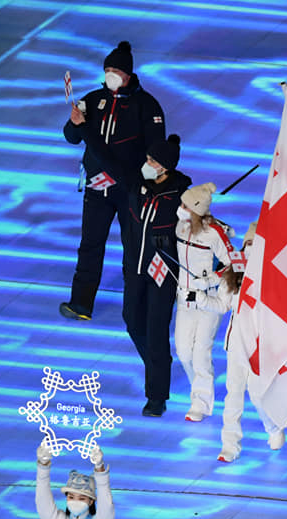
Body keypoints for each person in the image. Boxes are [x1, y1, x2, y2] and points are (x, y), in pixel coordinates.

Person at [60, 41, 166, 321]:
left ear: (128, 75)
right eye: (108, 71)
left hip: (129, 191)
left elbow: (157, 152)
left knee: (134, 250)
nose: (111, 76)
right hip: (97, 189)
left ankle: (137, 306)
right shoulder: (93, 100)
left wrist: (141, 183)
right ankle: (81, 303)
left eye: (116, 72)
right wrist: (74, 122)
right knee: (90, 245)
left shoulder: (147, 106)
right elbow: (71, 137)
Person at [121, 134, 191, 418]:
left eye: (152, 160)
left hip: (163, 275)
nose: (146, 164)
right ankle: (156, 365)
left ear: (165, 166)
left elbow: (196, 227)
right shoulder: (137, 184)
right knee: (132, 321)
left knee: (157, 332)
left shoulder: (180, 196)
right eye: (147, 158)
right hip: (134, 270)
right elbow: (108, 159)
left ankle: (156, 396)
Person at [216, 223, 287, 461]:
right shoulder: (233, 274)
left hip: (260, 347)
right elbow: (222, 304)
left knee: (258, 394)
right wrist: (199, 296)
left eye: (254, 245)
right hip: (236, 346)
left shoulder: (273, 276)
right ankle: (230, 445)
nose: (248, 248)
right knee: (233, 395)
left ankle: (273, 427)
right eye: (247, 243)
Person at [173, 182, 236, 422]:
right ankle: (197, 391)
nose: (181, 209)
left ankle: (200, 402)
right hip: (184, 298)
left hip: (207, 300)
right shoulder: (180, 226)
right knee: (183, 352)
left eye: (186, 206)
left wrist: (210, 279)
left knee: (200, 353)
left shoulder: (214, 233)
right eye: (182, 204)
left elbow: (233, 262)